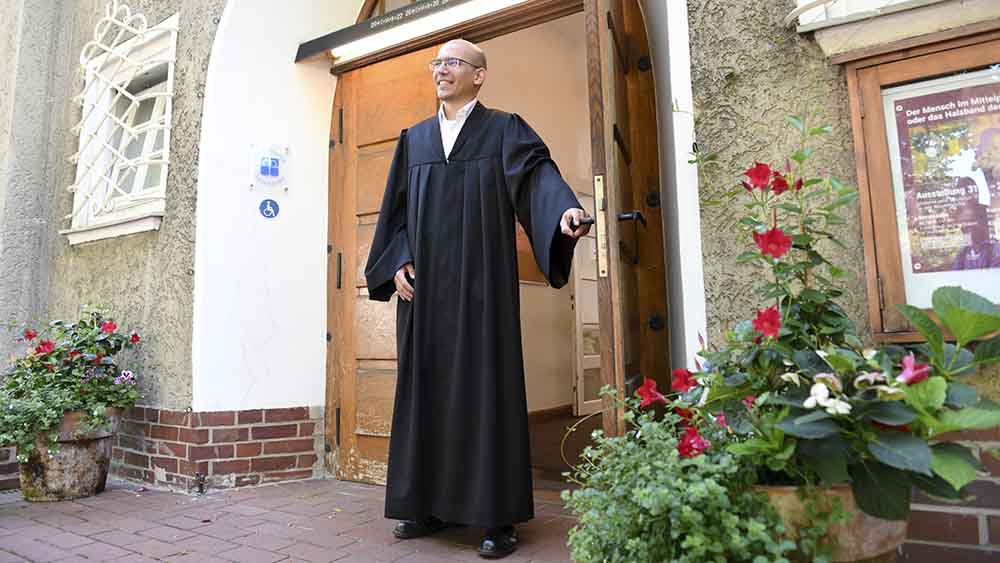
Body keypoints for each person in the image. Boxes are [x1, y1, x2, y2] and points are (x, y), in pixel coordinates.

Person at [364, 39, 591, 559]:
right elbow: (392, 214)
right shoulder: (413, 139)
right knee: (426, 392)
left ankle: (495, 517)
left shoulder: (504, 129)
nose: (442, 70)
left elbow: (538, 177)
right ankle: (425, 505)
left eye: (454, 63)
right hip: (423, 294)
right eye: (437, 63)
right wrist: (397, 261)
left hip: (481, 288)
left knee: (485, 391)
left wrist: (562, 214)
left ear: (479, 76)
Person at [950, 199, 1000, 270]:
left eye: (970, 221)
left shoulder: (996, 250)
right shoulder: (962, 255)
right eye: (963, 222)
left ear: (982, 222)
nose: (964, 227)